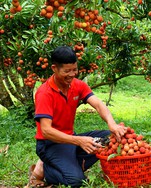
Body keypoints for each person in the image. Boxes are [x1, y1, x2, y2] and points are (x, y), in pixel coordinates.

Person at [26, 45, 127, 187]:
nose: (72, 74)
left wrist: (112, 123)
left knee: (109, 138)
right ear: (54, 68)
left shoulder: (77, 85)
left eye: (75, 69)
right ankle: (45, 168)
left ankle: (67, 163)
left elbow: (98, 104)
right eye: (67, 71)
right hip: (50, 144)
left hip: (70, 140)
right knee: (76, 181)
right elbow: (46, 131)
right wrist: (79, 141)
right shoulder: (45, 93)